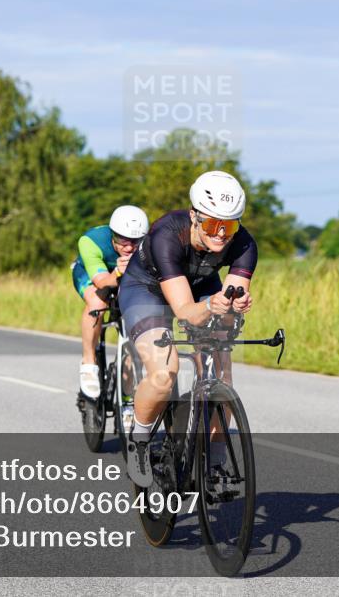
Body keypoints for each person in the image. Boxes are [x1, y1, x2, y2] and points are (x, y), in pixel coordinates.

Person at [118, 171, 256, 487]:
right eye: (211, 224)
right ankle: (138, 439)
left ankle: (216, 461)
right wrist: (210, 307)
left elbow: (228, 299)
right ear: (194, 216)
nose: (221, 234)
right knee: (164, 371)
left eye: (229, 226)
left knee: (223, 376)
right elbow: (184, 312)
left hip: (200, 284)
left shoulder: (244, 244)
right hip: (147, 289)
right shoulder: (167, 235)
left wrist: (233, 306)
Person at [73, 206, 149, 415]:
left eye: (136, 242)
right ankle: (89, 362)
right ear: (113, 234)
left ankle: (128, 394)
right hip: (93, 274)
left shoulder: (149, 246)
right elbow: (100, 281)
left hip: (128, 277)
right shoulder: (92, 241)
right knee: (98, 303)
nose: (129, 247)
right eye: (123, 240)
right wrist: (116, 271)